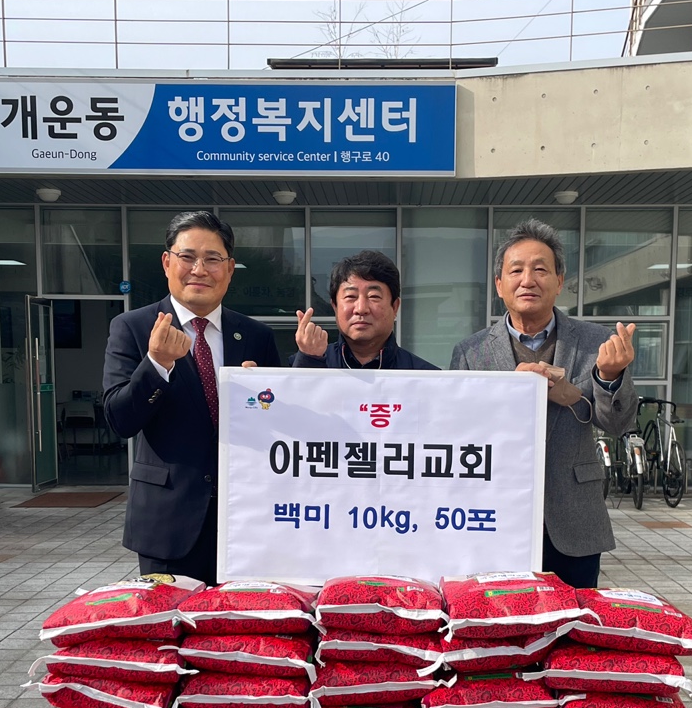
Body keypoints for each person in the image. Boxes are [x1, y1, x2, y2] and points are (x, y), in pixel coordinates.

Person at [450, 219, 639, 589]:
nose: (528, 280)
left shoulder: (597, 343)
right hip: (494, 520)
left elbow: (618, 424)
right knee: (500, 617)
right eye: (516, 270)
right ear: (499, 284)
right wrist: (506, 397)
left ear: (559, 281)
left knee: (574, 619)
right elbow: (458, 434)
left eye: (540, 269)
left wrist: (606, 377)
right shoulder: (471, 351)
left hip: (573, 517)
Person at [102, 210, 281, 585]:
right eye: (187, 257)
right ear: (167, 262)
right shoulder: (133, 327)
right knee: (170, 621)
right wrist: (157, 363)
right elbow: (120, 420)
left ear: (229, 269)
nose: (199, 269)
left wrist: (263, 400)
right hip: (167, 524)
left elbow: (277, 427)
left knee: (243, 619)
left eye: (212, 259)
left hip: (247, 521)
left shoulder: (256, 336)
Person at [292, 250, 437, 370]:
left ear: (395, 307)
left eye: (374, 296)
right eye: (351, 296)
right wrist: (309, 361)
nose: (361, 309)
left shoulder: (427, 378)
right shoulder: (301, 365)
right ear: (335, 306)